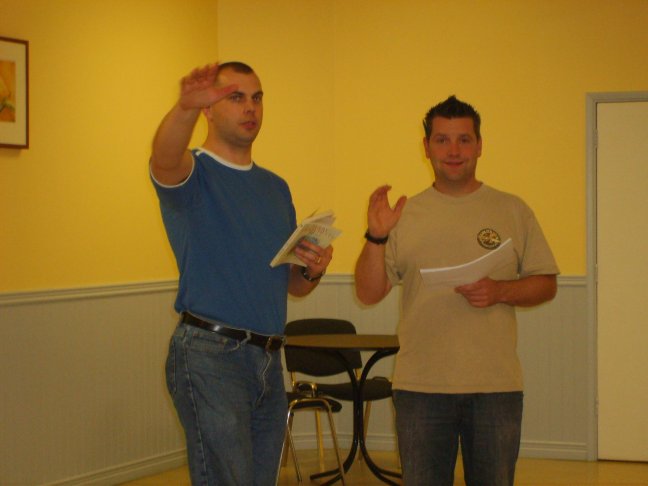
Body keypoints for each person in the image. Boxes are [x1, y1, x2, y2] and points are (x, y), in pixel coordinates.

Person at [354, 95, 559, 486]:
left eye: (464, 140)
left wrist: (500, 291)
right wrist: (376, 236)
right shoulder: (404, 214)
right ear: (426, 146)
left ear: (480, 146)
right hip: (420, 388)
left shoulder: (512, 209)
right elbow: (368, 293)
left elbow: (546, 284)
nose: (453, 151)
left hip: (496, 387)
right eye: (442, 140)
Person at [149, 62, 333, 486]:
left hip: (268, 358)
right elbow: (163, 158)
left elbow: (291, 285)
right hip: (211, 354)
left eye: (257, 97)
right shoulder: (193, 172)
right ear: (209, 110)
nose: (250, 107)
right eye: (235, 97)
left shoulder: (276, 188)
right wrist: (184, 107)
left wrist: (313, 271)